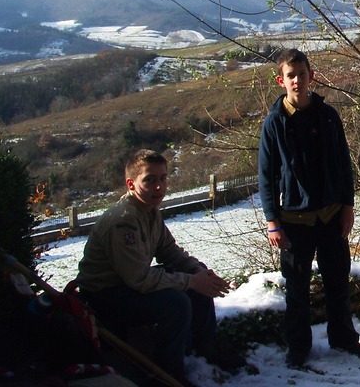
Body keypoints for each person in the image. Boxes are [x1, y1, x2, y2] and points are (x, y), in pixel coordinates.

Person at [75, 149, 248, 387]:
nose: (159, 186)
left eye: (163, 178)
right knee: (175, 303)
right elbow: (139, 279)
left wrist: (199, 273)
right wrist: (190, 282)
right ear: (131, 184)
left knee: (196, 274)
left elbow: (170, 253)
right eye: (150, 180)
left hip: (129, 285)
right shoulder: (124, 221)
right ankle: (167, 374)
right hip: (105, 295)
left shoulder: (150, 212)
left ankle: (207, 346)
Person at [258, 48, 360, 368]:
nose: (297, 80)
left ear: (312, 76)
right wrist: (272, 222)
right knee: (297, 289)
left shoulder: (328, 115)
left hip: (331, 214)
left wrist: (347, 206)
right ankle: (298, 347)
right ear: (281, 80)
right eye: (290, 75)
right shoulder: (274, 124)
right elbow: (265, 177)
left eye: (302, 73)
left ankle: (344, 339)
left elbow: (343, 164)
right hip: (294, 220)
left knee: (337, 281)